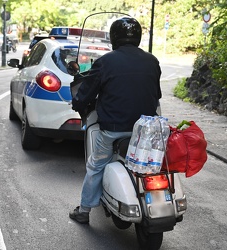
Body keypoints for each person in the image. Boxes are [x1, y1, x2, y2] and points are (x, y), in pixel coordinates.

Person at [69, 17, 162, 224]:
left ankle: (84, 211)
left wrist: (78, 103)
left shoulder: (105, 62)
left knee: (96, 165)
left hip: (113, 130)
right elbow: (156, 94)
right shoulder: (152, 61)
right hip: (144, 132)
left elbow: (86, 93)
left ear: (114, 38)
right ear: (137, 37)